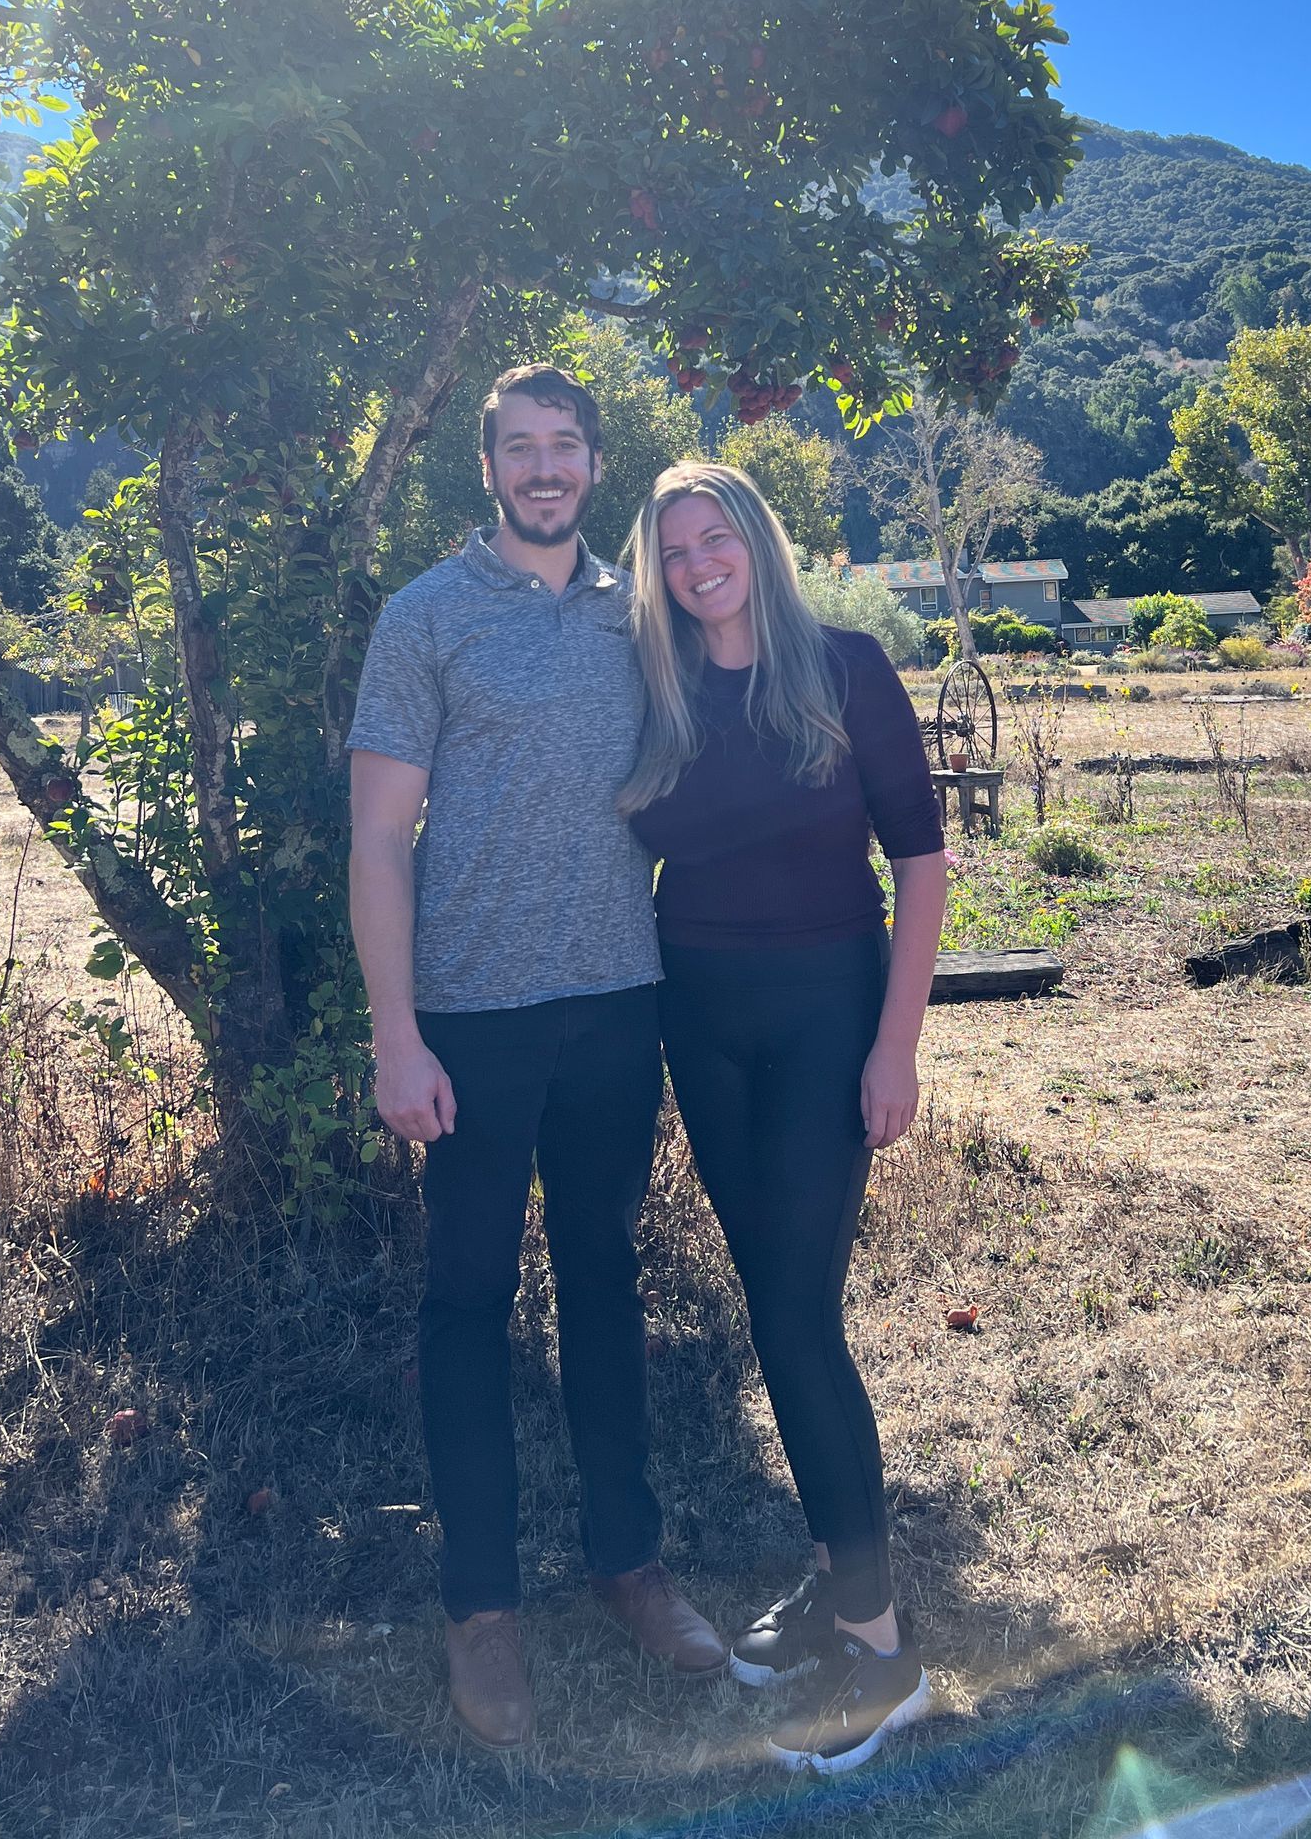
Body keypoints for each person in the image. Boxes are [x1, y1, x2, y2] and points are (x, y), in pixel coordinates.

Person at [347, 367, 724, 1752]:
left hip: (619, 1003)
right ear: (490, 466)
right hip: (471, 1021)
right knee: (466, 1306)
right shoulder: (425, 619)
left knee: (609, 1286)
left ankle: (629, 1566)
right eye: (523, 448)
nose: (547, 468)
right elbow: (381, 839)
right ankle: (483, 1610)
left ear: (595, 461)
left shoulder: (642, 617)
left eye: (568, 446)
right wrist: (397, 1032)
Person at [620, 461, 949, 1776]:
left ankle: (884, 1656)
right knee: (775, 1304)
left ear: (756, 540)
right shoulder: (658, 688)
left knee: (798, 1321)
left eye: (717, 537)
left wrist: (895, 1044)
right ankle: (837, 1576)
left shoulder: (848, 667)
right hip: (700, 1022)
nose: (699, 563)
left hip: (827, 1017)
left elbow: (920, 859)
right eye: (675, 549)